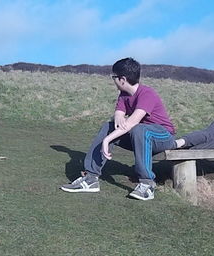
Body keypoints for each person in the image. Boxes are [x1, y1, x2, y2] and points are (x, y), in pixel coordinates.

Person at [60, 58, 176, 200]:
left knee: (139, 129)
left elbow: (132, 122)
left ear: (122, 79)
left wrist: (107, 141)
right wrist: (117, 117)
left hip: (163, 137)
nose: (112, 80)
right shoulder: (124, 95)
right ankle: (91, 178)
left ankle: (147, 184)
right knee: (108, 127)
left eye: (113, 77)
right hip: (139, 135)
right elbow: (119, 115)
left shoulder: (147, 94)